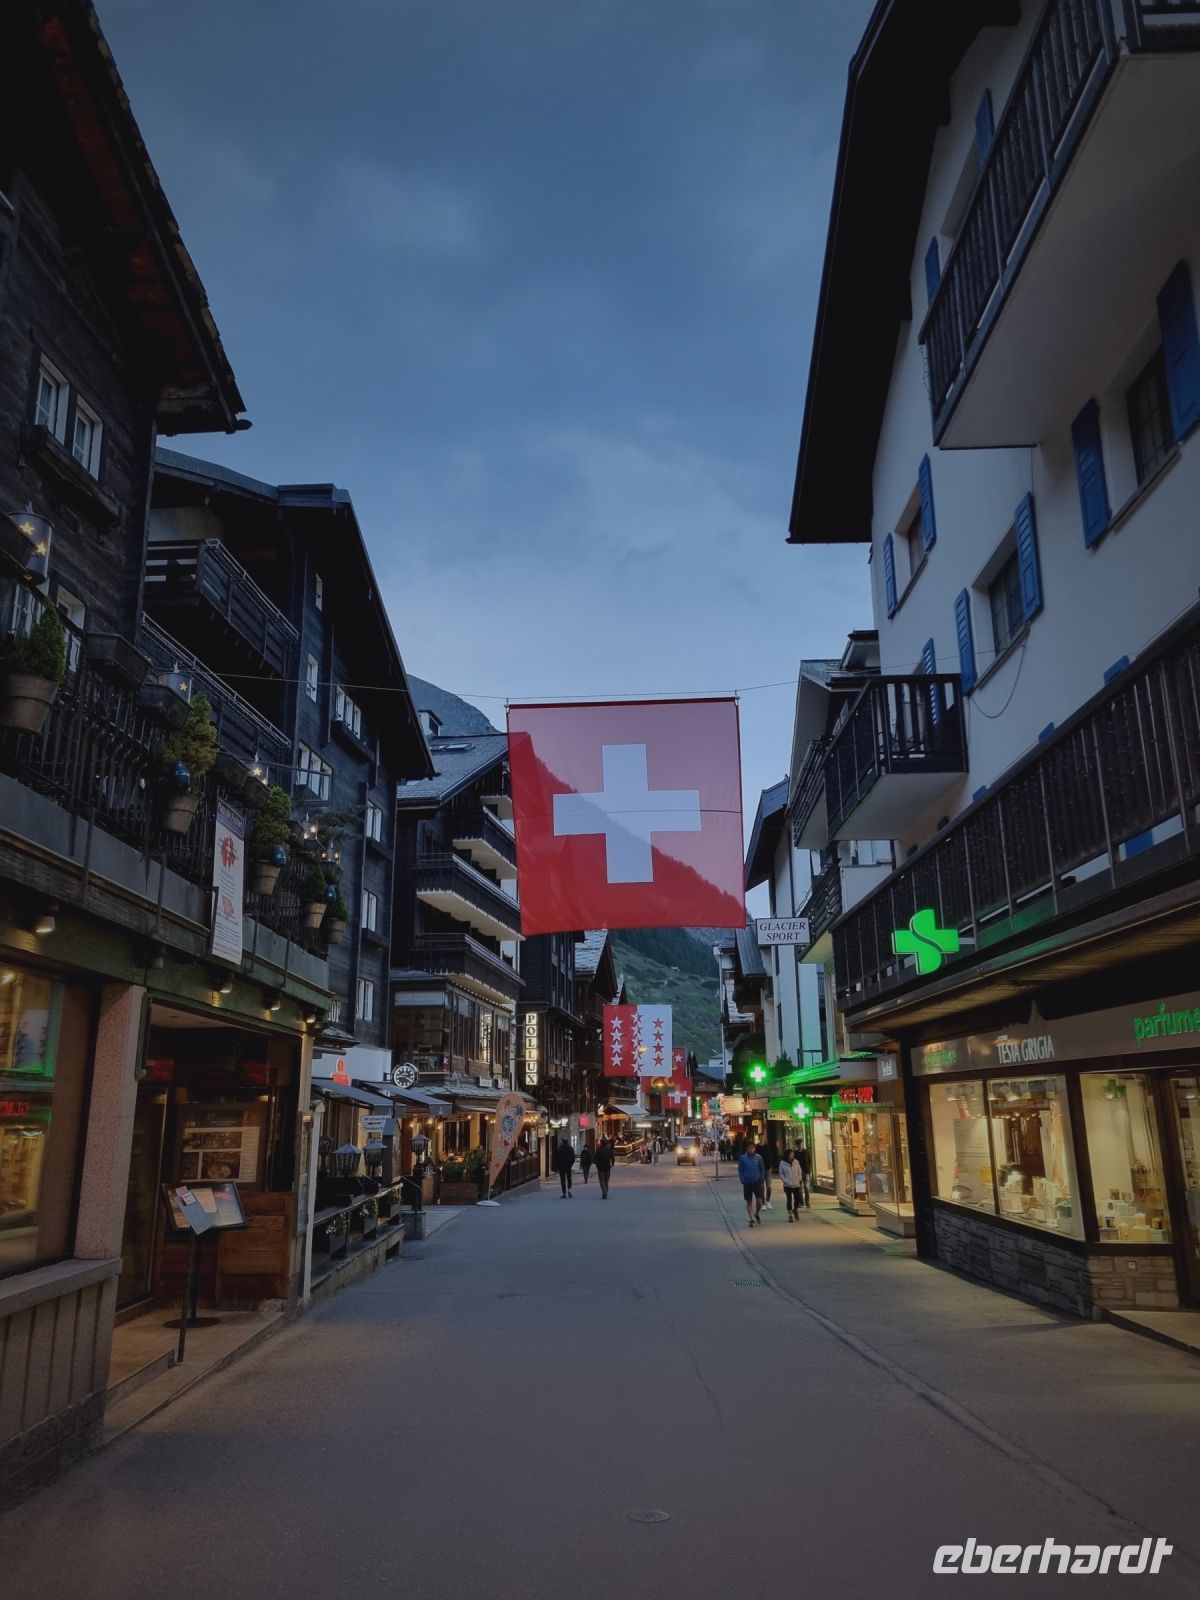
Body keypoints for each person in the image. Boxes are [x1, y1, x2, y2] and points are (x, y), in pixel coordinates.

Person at [737, 1141, 765, 1226]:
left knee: (759, 1201)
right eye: (749, 1147)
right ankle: (752, 1219)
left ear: (755, 1149)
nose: (751, 1149)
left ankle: (756, 1213)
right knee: (749, 1201)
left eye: (752, 1148)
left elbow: (762, 1169)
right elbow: (740, 1170)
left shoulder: (758, 1158)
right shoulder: (743, 1158)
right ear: (747, 1148)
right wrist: (742, 1179)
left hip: (757, 1182)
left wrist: (761, 1179)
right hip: (747, 1183)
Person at [779, 1147, 804, 1222]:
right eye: (791, 1154)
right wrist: (785, 1181)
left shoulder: (796, 1162)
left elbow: (800, 1171)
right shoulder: (782, 1163)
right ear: (787, 1155)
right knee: (789, 1199)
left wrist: (799, 1179)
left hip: (796, 1184)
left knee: (797, 1200)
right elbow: (781, 1174)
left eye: (793, 1154)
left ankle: (795, 1209)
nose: (792, 1155)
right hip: (787, 1185)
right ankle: (790, 1215)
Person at [796, 1142, 812, 1208]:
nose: (800, 1146)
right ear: (797, 1145)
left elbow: (810, 1160)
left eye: (801, 1144)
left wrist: (809, 1170)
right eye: (799, 1144)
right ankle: (801, 1202)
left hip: (806, 1172)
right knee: (799, 1189)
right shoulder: (795, 1153)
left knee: (806, 1188)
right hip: (798, 1173)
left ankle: (807, 1202)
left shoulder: (806, 1152)